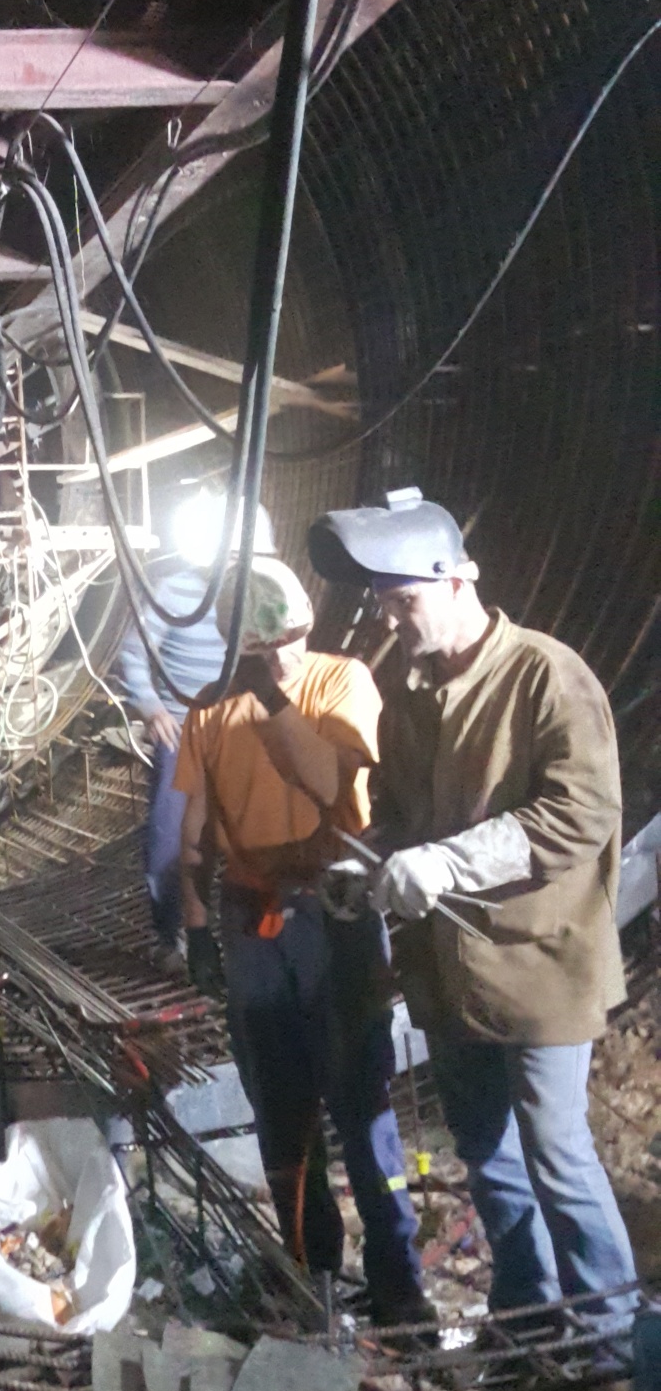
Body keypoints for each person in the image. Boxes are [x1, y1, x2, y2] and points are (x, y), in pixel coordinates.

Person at [309, 487, 637, 1342]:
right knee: (488, 1157)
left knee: (556, 1154)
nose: (392, 619)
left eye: (405, 600)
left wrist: (447, 862)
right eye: (383, 603)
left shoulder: (546, 675)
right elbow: (401, 815)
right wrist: (367, 858)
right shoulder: (414, 695)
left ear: (461, 580)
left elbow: (580, 813)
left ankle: (604, 1334)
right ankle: (529, 1315)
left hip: (538, 968)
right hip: (450, 973)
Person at [173, 555, 431, 1327]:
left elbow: (328, 781)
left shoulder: (341, 681)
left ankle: (398, 1285)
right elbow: (195, 833)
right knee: (280, 1107)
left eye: (282, 644)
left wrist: (271, 698)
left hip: (336, 911)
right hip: (253, 919)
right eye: (256, 651)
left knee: (360, 1098)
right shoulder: (208, 708)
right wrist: (194, 926)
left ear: (304, 630)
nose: (272, 660)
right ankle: (310, 1271)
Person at [114, 558, 226, 952]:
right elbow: (132, 651)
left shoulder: (253, 589)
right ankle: (171, 936)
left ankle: (243, 930)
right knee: (170, 836)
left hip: (239, 730)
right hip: (180, 732)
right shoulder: (171, 592)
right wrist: (149, 704)